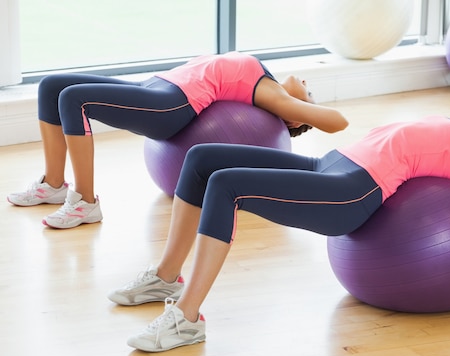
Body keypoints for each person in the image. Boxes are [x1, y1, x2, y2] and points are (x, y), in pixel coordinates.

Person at [107, 115, 450, 352]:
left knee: (226, 185)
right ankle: (166, 277)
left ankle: (187, 319)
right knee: (202, 158)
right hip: (331, 163)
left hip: (348, 191)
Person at [6, 51, 349, 229]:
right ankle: (53, 184)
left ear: (295, 116)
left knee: (73, 99)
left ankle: (85, 202)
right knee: (52, 85)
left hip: (172, 105)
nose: (305, 80)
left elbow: (339, 122)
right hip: (154, 85)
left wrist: (303, 108)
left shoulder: (276, 96)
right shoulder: (267, 77)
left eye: (309, 90)